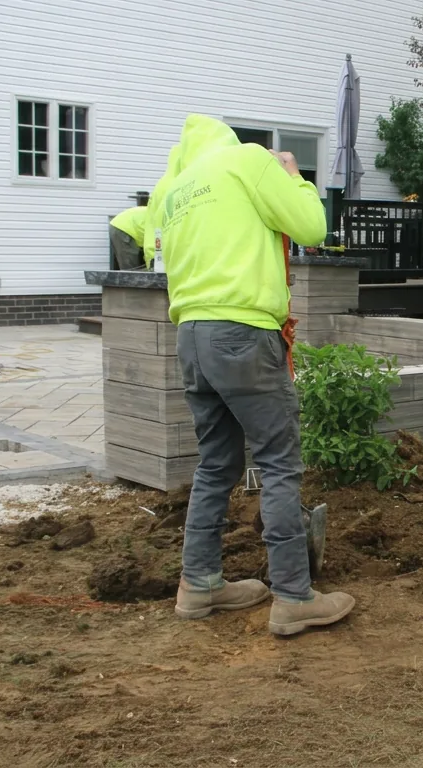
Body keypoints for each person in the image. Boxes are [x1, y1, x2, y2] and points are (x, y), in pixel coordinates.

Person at [160, 114, 354, 636]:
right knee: (278, 460)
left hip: (191, 335)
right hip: (242, 332)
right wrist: (293, 177)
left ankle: (198, 583)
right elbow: (312, 227)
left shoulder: (178, 190)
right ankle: (293, 595)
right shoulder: (247, 162)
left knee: (216, 464)